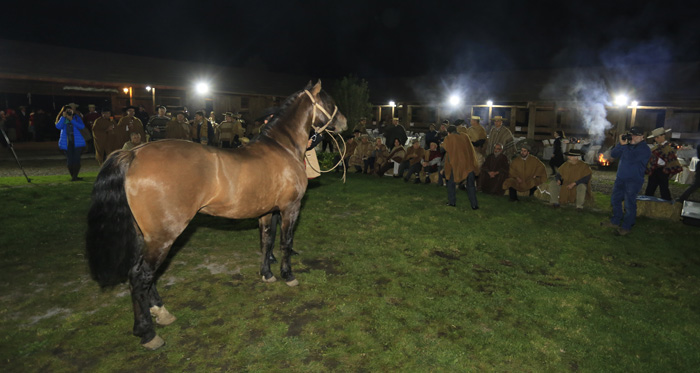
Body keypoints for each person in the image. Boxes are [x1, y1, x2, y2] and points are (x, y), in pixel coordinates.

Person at [601, 126, 652, 236]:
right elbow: (613, 154)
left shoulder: (644, 149)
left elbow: (631, 158)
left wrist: (624, 146)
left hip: (633, 181)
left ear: (642, 137)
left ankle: (626, 227)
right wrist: (620, 144)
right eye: (632, 135)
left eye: (637, 135)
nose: (634, 137)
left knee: (629, 204)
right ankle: (615, 221)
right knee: (615, 200)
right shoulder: (626, 146)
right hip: (621, 178)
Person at [443, 125, 479, 208]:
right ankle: (474, 205)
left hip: (457, 165)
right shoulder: (465, 136)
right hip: (469, 164)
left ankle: (452, 202)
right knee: (471, 186)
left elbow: (444, 148)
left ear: (448, 133)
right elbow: (470, 150)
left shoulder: (450, 138)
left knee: (451, 183)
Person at [645, 127, 682, 201]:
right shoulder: (656, 147)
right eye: (655, 138)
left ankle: (667, 204)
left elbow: (672, 160)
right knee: (650, 189)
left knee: (664, 189)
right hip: (654, 170)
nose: (656, 139)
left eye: (657, 137)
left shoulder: (668, 148)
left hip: (663, 171)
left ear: (663, 136)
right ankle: (646, 203)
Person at [55, 105, 86, 181]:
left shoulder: (76, 117)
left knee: (77, 159)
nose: (69, 112)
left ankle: (75, 176)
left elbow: (81, 126)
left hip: (77, 141)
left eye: (70, 110)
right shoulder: (62, 118)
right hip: (67, 142)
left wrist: (71, 119)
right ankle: (73, 176)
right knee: (70, 159)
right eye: (67, 110)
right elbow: (58, 126)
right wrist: (63, 117)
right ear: (63, 111)